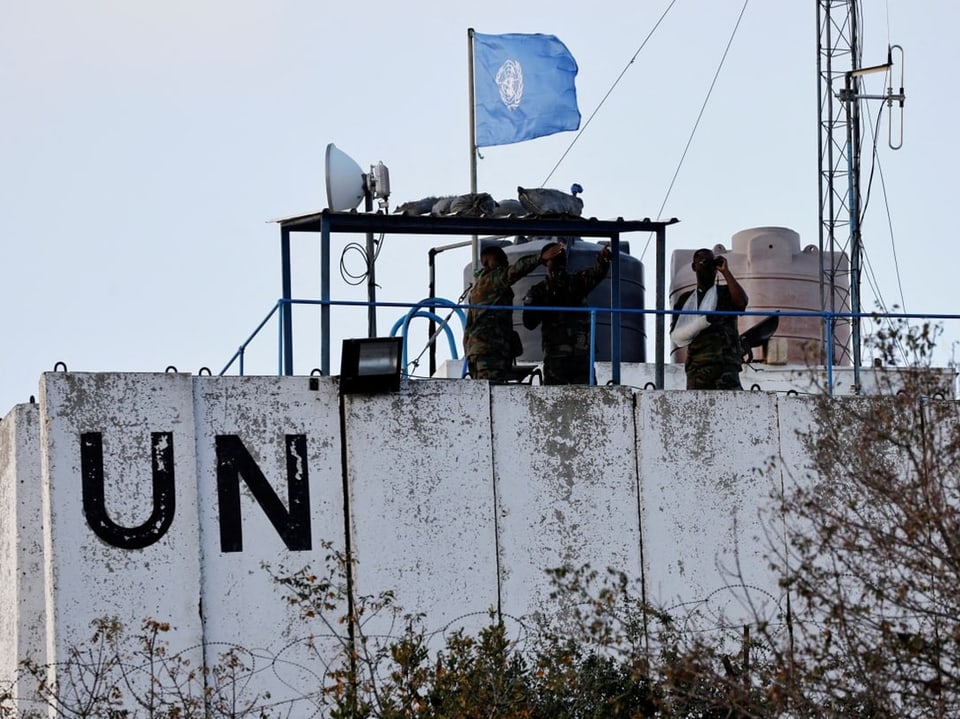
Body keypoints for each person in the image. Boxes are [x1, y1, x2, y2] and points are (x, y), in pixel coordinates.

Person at [464, 244, 563, 381]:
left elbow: (468, 327)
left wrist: (469, 352)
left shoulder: (476, 289)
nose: (504, 263)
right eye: (499, 259)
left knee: (485, 393)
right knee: (492, 393)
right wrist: (540, 258)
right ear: (487, 262)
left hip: (479, 352)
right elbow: (516, 271)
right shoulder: (493, 278)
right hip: (490, 351)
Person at [522, 242, 612, 385]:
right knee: (560, 398)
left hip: (577, 354)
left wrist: (603, 260)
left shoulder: (575, 282)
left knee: (585, 398)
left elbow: (597, 272)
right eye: (555, 258)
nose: (559, 262)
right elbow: (529, 322)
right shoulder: (541, 291)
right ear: (546, 262)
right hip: (560, 354)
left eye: (561, 258)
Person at [670, 248, 749, 389]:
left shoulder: (725, 293)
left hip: (726, 365)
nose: (709, 268)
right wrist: (703, 322)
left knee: (734, 408)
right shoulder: (685, 300)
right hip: (698, 366)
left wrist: (726, 272)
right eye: (704, 263)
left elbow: (741, 303)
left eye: (712, 263)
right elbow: (677, 336)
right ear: (694, 267)